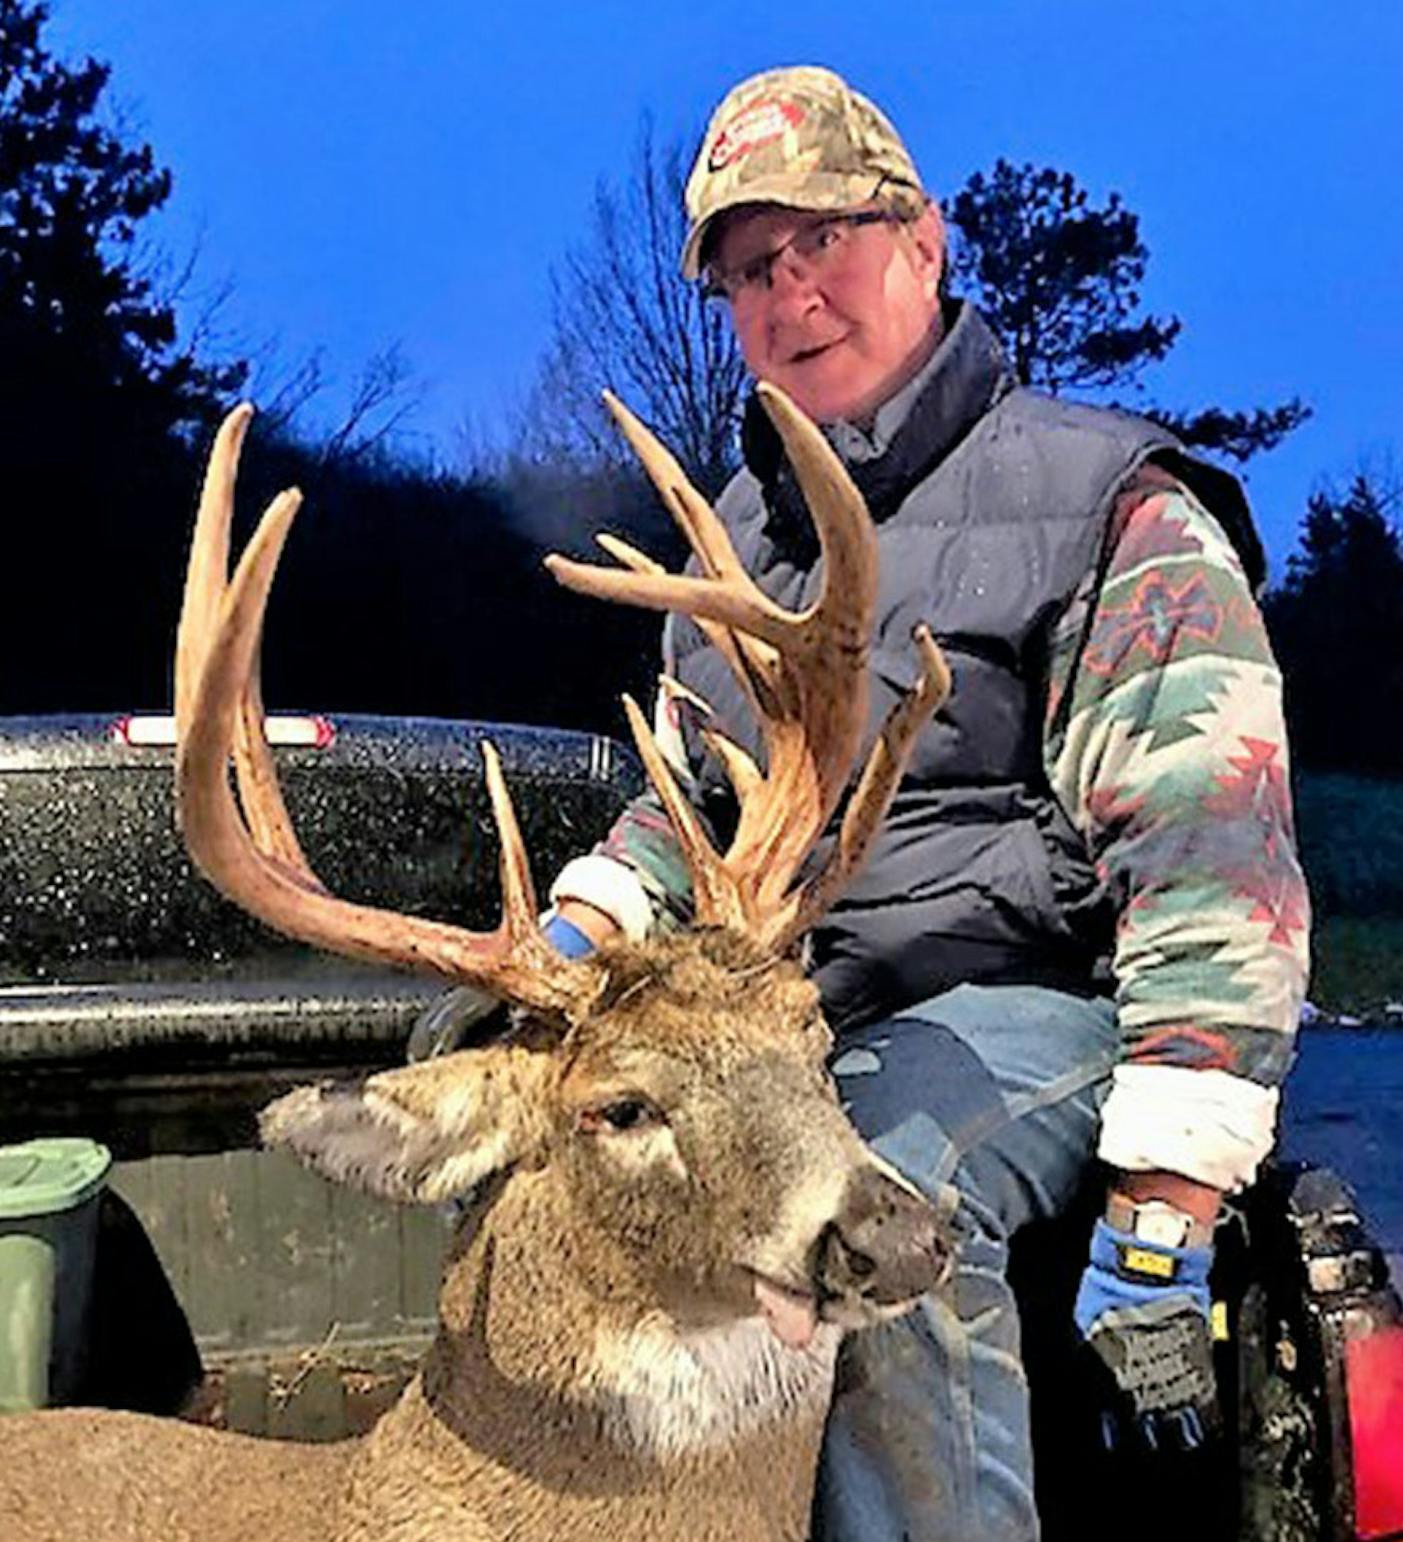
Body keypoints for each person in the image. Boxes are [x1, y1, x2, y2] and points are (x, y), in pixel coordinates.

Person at [423, 65, 1310, 1542]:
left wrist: (1166, 1205)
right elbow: (691, 813)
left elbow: (1212, 856)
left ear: (923, 239)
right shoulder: (735, 557)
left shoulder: (1107, 503)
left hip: (1035, 998)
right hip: (804, 1016)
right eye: (747, 275)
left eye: (818, 244)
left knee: (864, 1207)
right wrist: (577, 944)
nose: (788, 297)